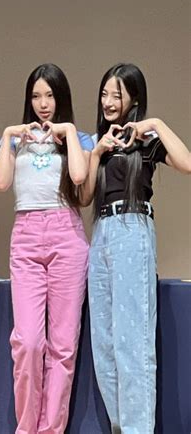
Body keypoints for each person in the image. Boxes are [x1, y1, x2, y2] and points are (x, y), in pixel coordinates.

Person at [80, 63, 191, 434]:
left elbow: (187, 163)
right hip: (102, 232)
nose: (108, 102)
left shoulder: (146, 140)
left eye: (117, 95)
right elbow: (84, 197)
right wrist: (96, 152)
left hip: (132, 229)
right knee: (105, 343)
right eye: (104, 94)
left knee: (133, 341)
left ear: (134, 98)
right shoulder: (100, 141)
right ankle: (120, 426)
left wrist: (154, 123)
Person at [0, 63, 92, 434]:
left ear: (61, 97)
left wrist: (68, 132)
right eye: (36, 96)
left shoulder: (77, 138)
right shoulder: (16, 140)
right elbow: (1, 183)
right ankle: (27, 427)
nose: (43, 103)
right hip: (27, 235)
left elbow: (79, 177)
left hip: (66, 233)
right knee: (29, 342)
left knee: (63, 345)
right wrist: (7, 135)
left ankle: (51, 429)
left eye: (49, 95)